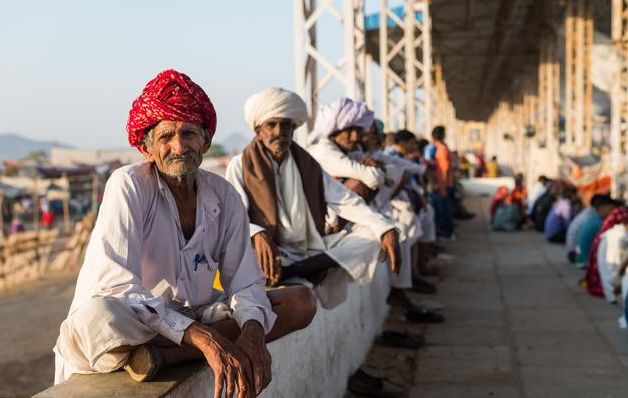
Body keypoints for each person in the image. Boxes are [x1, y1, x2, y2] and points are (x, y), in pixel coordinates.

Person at [53, 71, 316, 398]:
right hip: (138, 321)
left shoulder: (224, 196)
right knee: (97, 318)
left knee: (299, 302)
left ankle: (160, 357)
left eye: (189, 133)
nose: (179, 147)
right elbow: (118, 286)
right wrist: (205, 338)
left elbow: (246, 282)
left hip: (189, 320)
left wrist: (252, 334)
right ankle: (180, 345)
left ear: (205, 140)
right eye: (166, 136)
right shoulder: (129, 185)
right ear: (148, 147)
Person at [225, 88, 400, 308]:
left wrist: (384, 227)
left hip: (309, 248)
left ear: (294, 129)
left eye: (286, 125)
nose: (280, 131)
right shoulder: (240, 165)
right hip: (267, 250)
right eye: (272, 125)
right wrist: (258, 233)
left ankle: (295, 271)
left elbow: (345, 200)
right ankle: (299, 269)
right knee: (242, 260)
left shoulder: (306, 163)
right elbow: (233, 216)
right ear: (258, 130)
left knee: (372, 236)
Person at [584, 206, 628, 298]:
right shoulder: (619, 237)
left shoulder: (613, 233)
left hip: (607, 284)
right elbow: (617, 269)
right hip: (612, 290)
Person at [566, 195, 620, 265]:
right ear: (602, 207)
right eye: (611, 208)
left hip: (576, 253)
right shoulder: (596, 220)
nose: (613, 212)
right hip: (579, 258)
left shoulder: (592, 215)